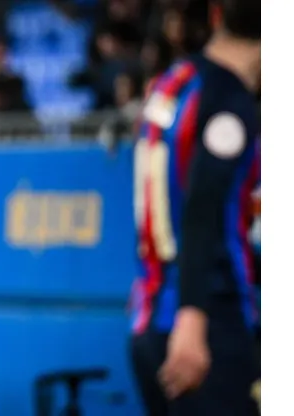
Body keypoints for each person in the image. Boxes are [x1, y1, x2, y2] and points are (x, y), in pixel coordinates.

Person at [128, 0, 261, 415]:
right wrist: (193, 318)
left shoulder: (176, 81)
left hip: (151, 321)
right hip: (206, 328)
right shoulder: (228, 100)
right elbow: (204, 210)